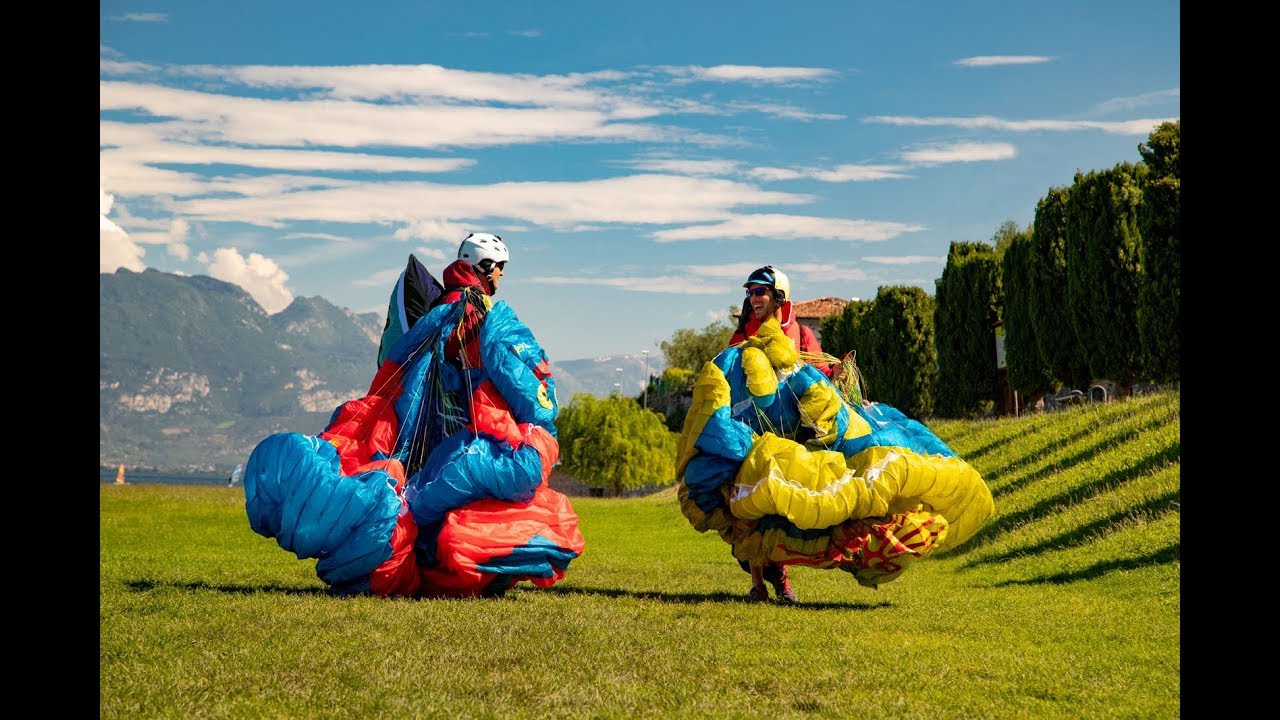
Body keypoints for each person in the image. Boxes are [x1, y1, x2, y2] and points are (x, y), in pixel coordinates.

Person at [728, 265, 843, 604]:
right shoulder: (742, 336)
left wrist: (844, 388)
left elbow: (820, 374)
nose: (753, 298)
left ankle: (782, 583)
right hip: (750, 437)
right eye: (749, 293)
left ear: (779, 296)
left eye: (760, 292)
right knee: (751, 508)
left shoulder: (801, 334)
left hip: (792, 438)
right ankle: (758, 584)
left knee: (779, 508)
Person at [432, 232, 510, 369]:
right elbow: (443, 347)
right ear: (486, 266)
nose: (502, 273)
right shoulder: (458, 300)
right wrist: (478, 323)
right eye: (501, 266)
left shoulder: (472, 300)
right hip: (459, 388)